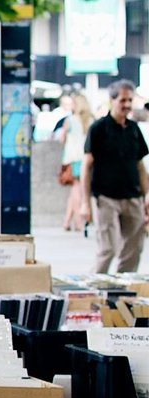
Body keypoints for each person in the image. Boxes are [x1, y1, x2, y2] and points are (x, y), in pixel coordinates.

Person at [80, 80, 149, 274]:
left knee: (134, 249)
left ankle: (123, 286)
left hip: (132, 197)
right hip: (106, 197)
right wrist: (85, 203)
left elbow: (140, 166)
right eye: (122, 100)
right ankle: (95, 285)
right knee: (108, 248)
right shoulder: (99, 128)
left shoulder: (134, 129)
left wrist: (147, 194)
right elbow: (86, 167)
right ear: (112, 101)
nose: (127, 105)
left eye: (130, 100)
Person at [59, 92, 94, 231]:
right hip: (87, 157)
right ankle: (67, 222)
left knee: (76, 189)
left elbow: (61, 138)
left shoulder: (70, 120)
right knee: (78, 189)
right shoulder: (91, 120)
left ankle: (79, 222)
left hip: (72, 158)